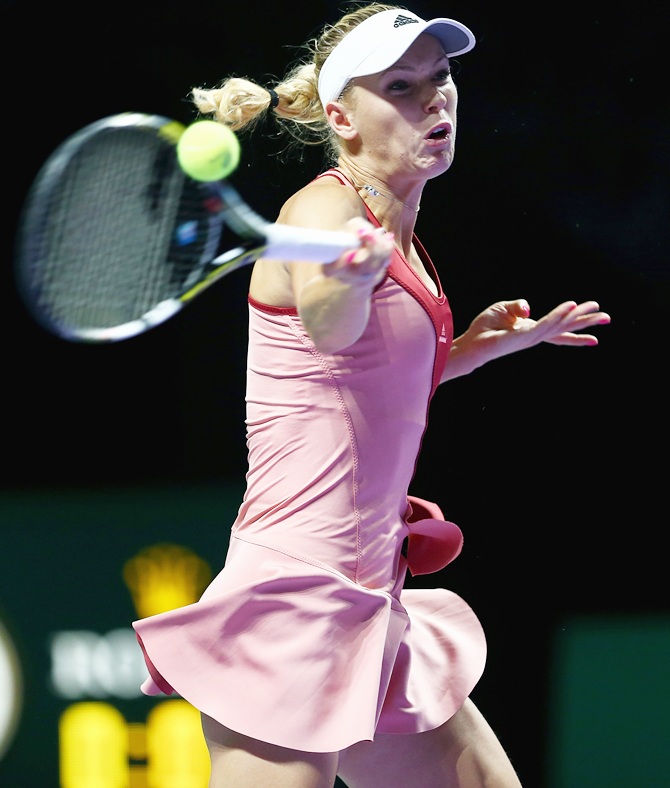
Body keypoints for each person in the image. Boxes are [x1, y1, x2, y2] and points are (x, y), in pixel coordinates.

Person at [132, 4, 610, 786]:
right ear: (341, 117)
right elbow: (329, 327)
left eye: (440, 77)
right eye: (402, 85)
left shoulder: (401, 227)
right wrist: (348, 281)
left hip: (370, 596)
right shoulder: (321, 213)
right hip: (294, 599)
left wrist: (479, 349)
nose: (436, 99)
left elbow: (360, 384)